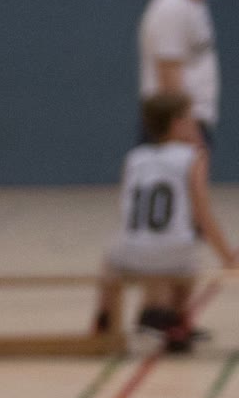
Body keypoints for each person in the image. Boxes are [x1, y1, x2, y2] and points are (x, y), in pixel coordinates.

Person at [93, 91, 236, 354]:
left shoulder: (135, 157)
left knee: (110, 259)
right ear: (177, 123)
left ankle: (104, 318)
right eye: (190, 118)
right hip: (174, 255)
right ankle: (176, 319)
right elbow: (202, 214)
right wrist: (228, 256)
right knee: (188, 254)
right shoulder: (193, 157)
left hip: (131, 250)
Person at [139, 0, 228, 149]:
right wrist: (187, 129)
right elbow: (168, 73)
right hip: (174, 128)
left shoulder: (195, 4)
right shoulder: (171, 7)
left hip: (189, 121)